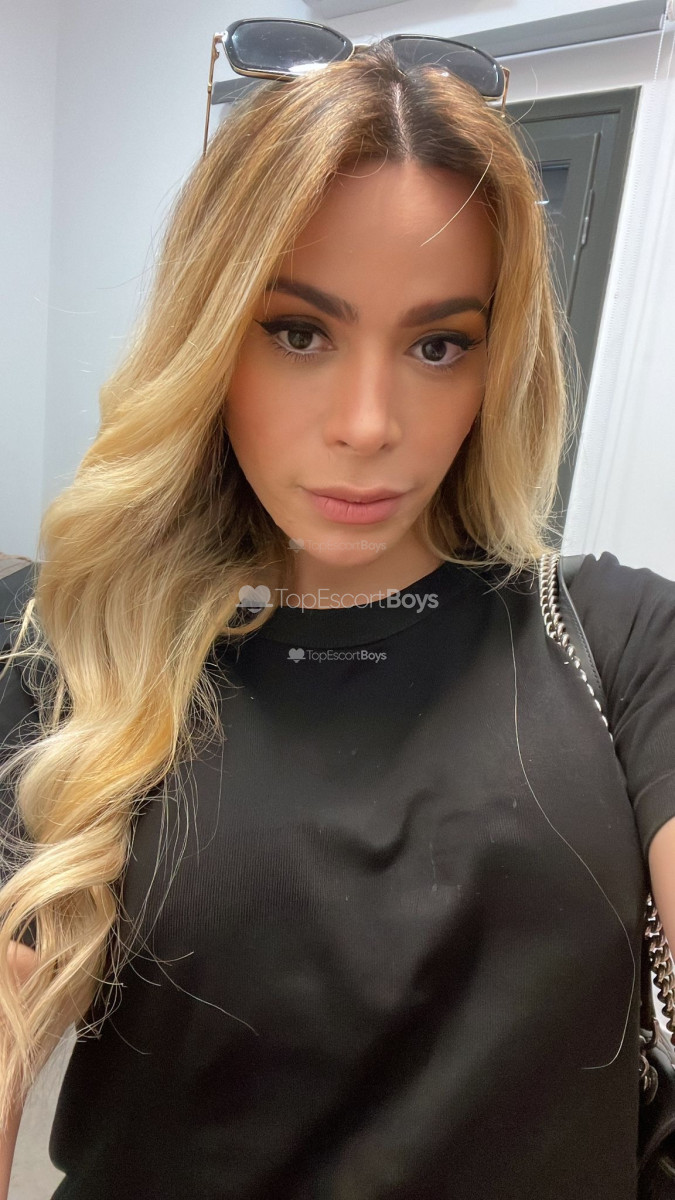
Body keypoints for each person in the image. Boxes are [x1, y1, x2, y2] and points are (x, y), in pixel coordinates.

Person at [1, 28, 675, 1200]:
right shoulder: (67, 647)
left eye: (438, 344)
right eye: (299, 331)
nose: (369, 424)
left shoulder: (617, 640)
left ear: (497, 364)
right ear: (211, 337)